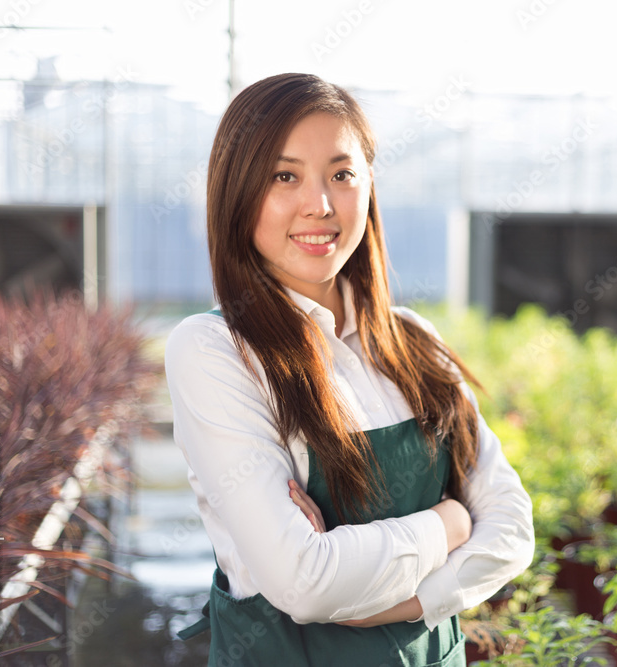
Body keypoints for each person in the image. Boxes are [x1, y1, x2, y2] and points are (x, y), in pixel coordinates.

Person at [164, 73, 534, 666]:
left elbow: (513, 529)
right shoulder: (213, 352)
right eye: (284, 177)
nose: (321, 204)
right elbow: (304, 582)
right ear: (236, 194)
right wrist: (452, 521)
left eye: (342, 174)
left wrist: (406, 603)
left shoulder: (415, 341)